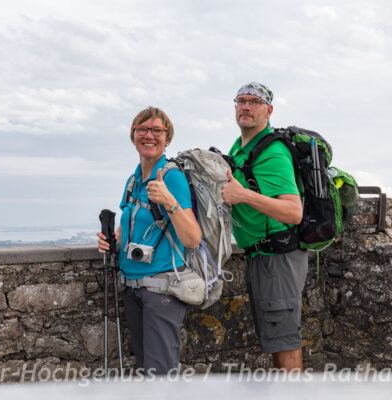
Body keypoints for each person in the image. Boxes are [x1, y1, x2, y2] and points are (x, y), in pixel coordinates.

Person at [97, 106, 202, 375]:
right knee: (146, 371)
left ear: (167, 138)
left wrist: (168, 200)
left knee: (160, 375)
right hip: (133, 289)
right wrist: (109, 242)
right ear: (133, 136)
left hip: (162, 291)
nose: (149, 135)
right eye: (142, 129)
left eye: (157, 130)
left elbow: (192, 238)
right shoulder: (133, 180)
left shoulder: (172, 177)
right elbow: (125, 231)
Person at [222, 82, 308, 372]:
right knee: (274, 340)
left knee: (285, 344)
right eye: (241, 100)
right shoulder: (240, 146)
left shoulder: (273, 152)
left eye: (255, 102)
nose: (246, 106)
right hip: (261, 257)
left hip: (279, 258)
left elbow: (294, 212)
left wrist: (243, 195)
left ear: (269, 111)